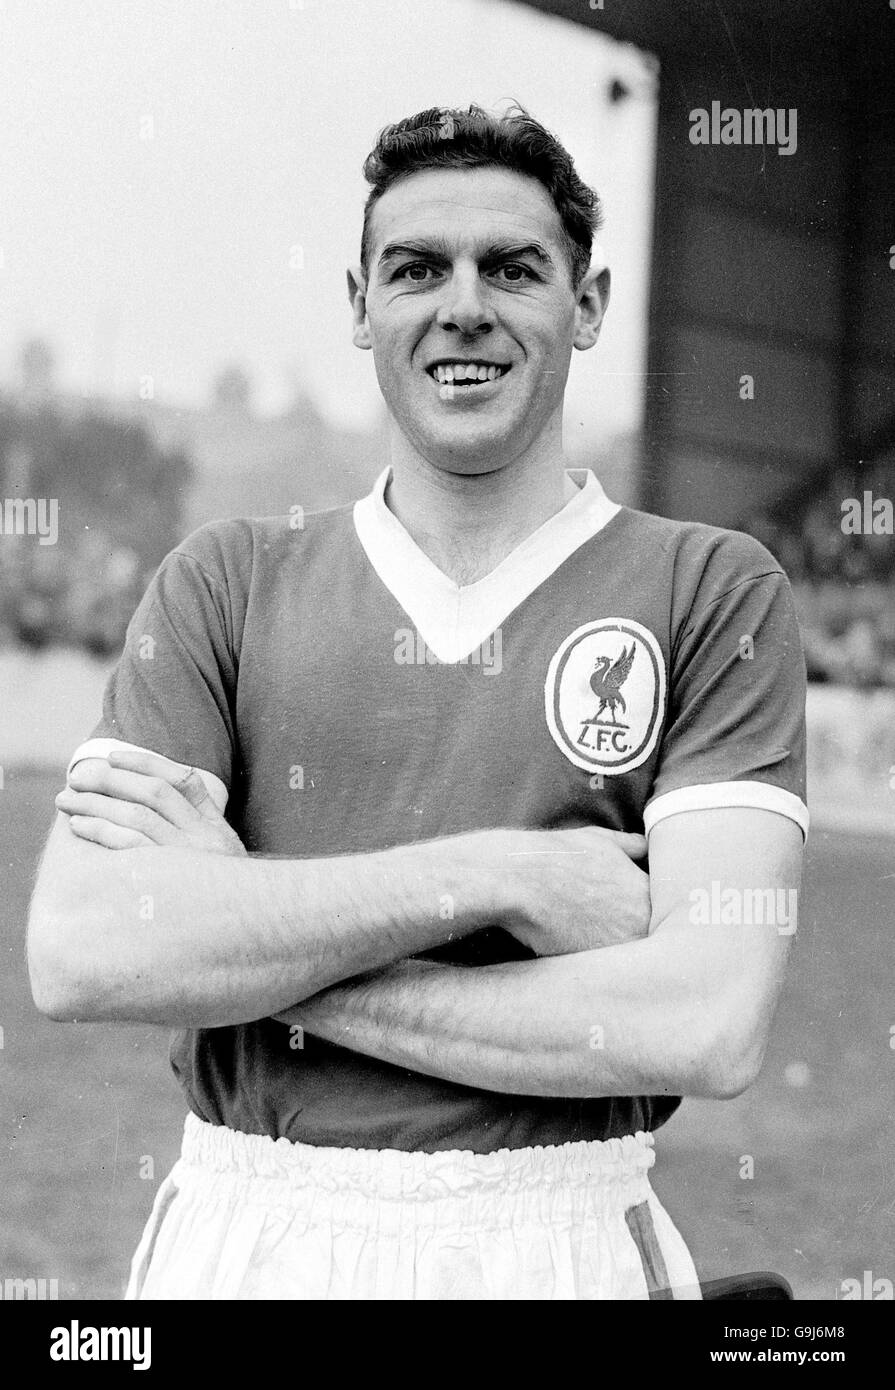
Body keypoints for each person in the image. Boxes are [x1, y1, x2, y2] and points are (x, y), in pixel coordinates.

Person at [27, 104, 807, 1301]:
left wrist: (240, 938)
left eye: (512, 268)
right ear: (359, 305)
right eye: (415, 270)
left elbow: (704, 1021)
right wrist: (505, 874)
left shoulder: (709, 587)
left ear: (586, 306)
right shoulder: (227, 579)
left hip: (559, 1234)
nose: (463, 306)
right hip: (247, 1230)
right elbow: (83, 950)